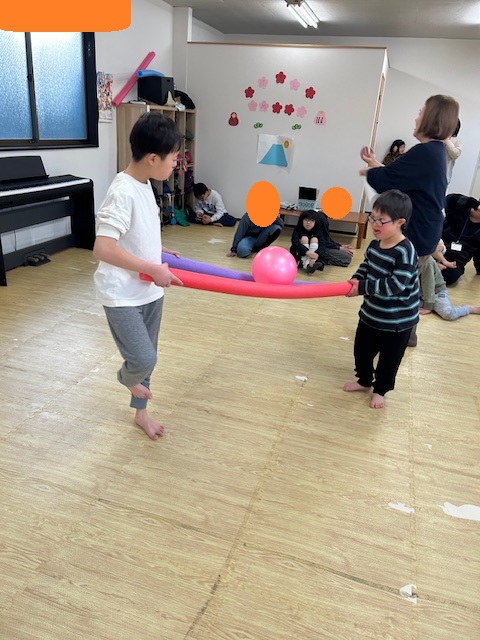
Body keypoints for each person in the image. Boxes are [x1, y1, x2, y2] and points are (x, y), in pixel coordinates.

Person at [93, 112, 183, 441]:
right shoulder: (123, 191)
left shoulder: (145, 185)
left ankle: (141, 414)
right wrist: (152, 268)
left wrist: (158, 251)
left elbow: (135, 234)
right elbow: (103, 248)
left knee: (149, 360)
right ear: (153, 158)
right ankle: (125, 378)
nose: (177, 165)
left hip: (149, 290)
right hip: (122, 294)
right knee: (142, 359)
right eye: (174, 159)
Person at [360, 94, 459, 346]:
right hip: (426, 233)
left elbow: (385, 180)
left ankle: (397, 335)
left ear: (431, 119)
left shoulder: (425, 152)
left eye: (420, 112)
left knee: (400, 288)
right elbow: (397, 176)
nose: (416, 117)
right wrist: (374, 164)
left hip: (418, 234)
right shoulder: (433, 152)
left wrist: (370, 172)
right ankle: (405, 335)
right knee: (408, 286)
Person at [343, 190, 419, 410]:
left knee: (389, 360)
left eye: (381, 220)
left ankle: (380, 390)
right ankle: (365, 381)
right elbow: (366, 265)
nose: (374, 224)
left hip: (398, 321)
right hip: (371, 313)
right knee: (362, 352)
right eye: (372, 217)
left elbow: (395, 285)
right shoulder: (375, 244)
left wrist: (362, 288)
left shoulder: (405, 251)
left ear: (400, 222)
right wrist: (357, 278)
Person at [289, 210, 353, 274]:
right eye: (306, 220)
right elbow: (295, 243)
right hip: (303, 252)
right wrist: (308, 252)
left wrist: (316, 255)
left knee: (314, 239)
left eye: (311, 220)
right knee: (304, 238)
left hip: (316, 250)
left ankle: (313, 262)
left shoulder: (318, 229)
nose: (308, 222)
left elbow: (324, 242)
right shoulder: (298, 229)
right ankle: (306, 263)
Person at [419, 255, 480, 320]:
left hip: (436, 292)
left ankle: (469, 308)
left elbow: (429, 285)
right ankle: (430, 304)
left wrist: (428, 306)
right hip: (421, 292)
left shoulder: (427, 261)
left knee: (448, 314)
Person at [441, 192, 480, 285]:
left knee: (451, 275)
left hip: (456, 259)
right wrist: (473, 203)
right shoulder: (460, 210)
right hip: (439, 248)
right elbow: (448, 199)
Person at [444, 119, 461, 184]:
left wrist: (446, 141)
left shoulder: (456, 141)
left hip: (444, 177)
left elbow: (455, 154)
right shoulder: (437, 137)